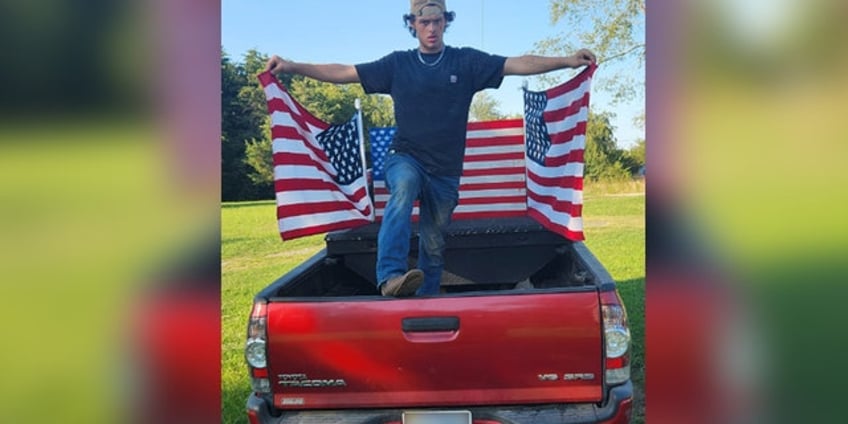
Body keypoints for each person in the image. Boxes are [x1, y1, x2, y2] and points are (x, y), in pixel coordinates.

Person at [265, 0, 596, 297]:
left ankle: (427, 299)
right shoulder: (397, 65)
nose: (432, 28)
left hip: (445, 172)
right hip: (404, 157)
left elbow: (518, 63)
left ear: (445, 22)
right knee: (403, 189)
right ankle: (390, 277)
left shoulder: (465, 61)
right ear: (412, 25)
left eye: (438, 21)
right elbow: (344, 72)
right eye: (424, 22)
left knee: (434, 243)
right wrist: (293, 66)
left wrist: (567, 61)